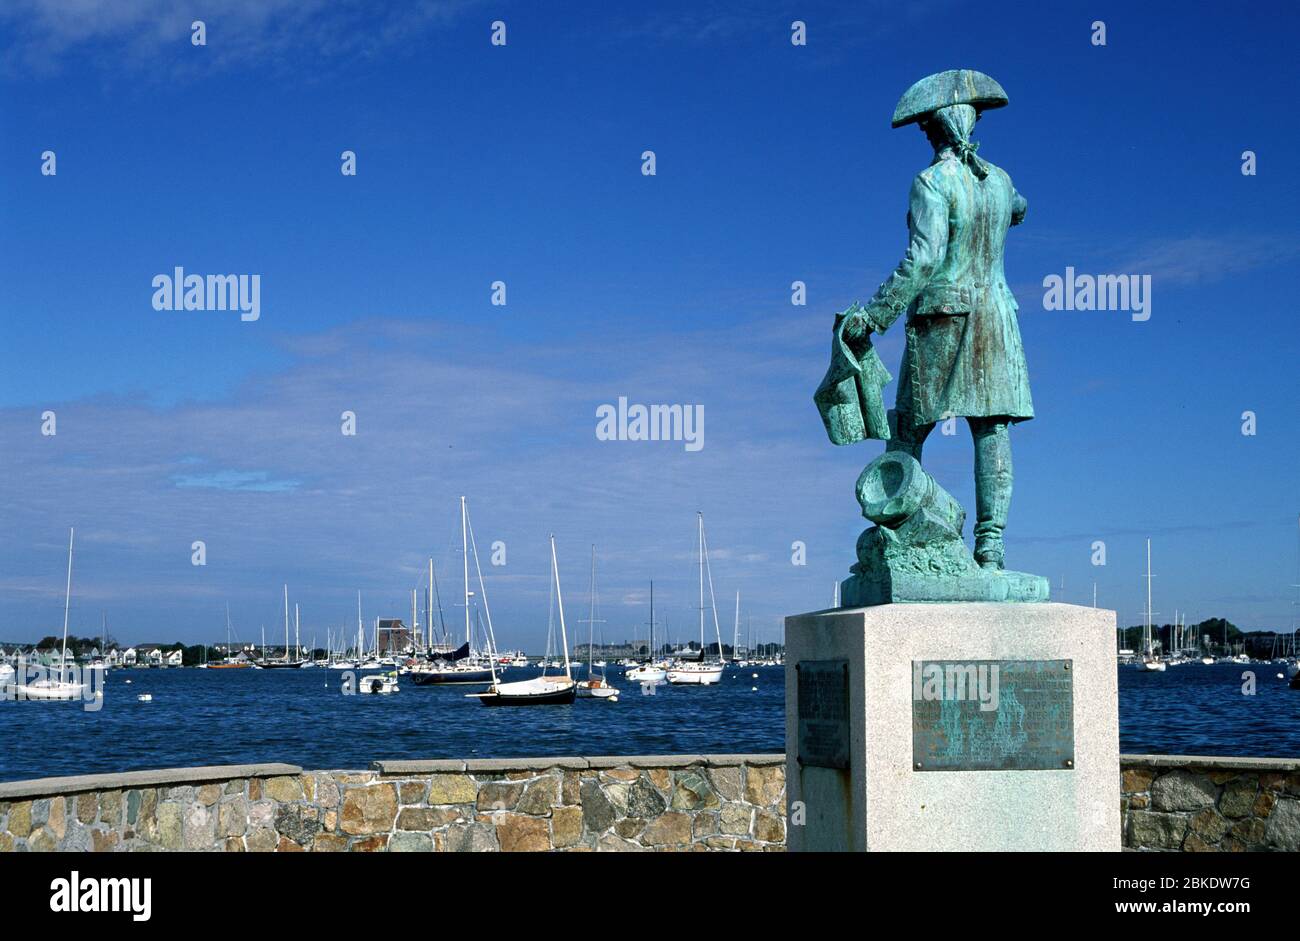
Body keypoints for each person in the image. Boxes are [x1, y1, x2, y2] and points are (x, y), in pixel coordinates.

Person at [843, 70, 1032, 571]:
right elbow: (1019, 208)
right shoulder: (1001, 181)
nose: (925, 137)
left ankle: (898, 535)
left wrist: (875, 314)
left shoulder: (931, 182)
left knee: (905, 430)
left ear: (939, 128)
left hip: (943, 322)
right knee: (992, 432)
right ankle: (990, 548)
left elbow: (923, 260)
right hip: (997, 318)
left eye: (927, 128)